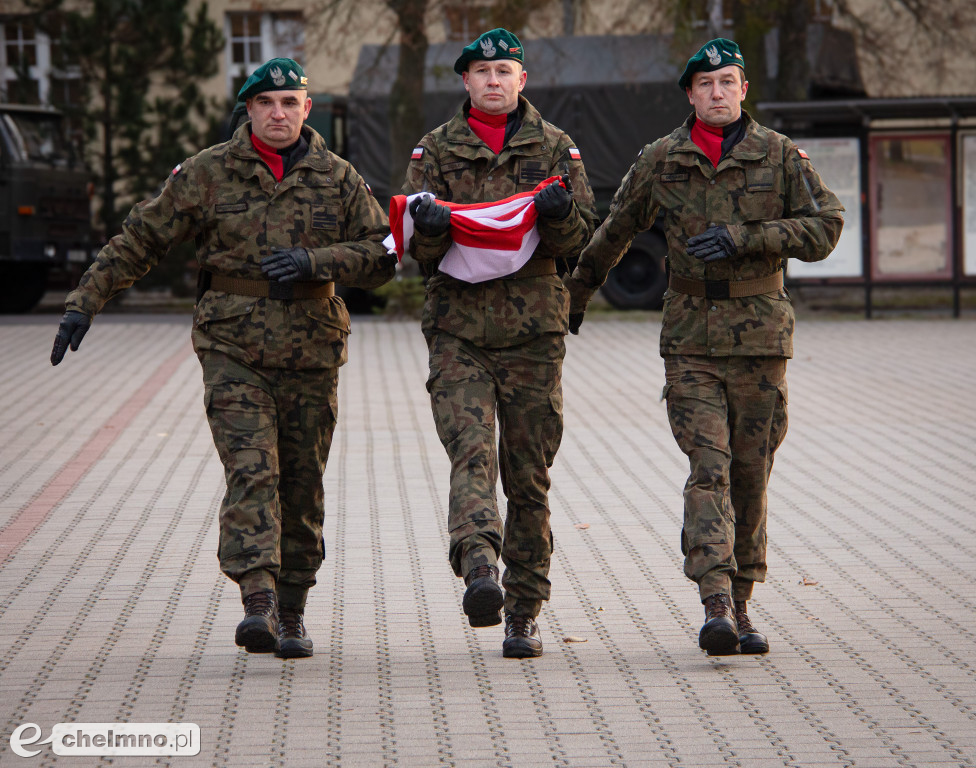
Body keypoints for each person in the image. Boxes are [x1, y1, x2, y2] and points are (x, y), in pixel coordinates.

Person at [50, 58, 395, 659]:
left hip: (311, 349)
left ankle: (292, 610)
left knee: (301, 481)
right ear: (250, 110)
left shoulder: (337, 176)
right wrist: (85, 302)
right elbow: (141, 237)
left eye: (290, 103)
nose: (280, 113)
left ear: (307, 108)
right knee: (251, 467)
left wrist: (319, 263)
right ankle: (256, 598)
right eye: (267, 104)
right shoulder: (209, 173)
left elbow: (383, 256)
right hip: (231, 345)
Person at [564, 38, 843, 656]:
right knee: (709, 466)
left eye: (728, 82)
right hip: (689, 339)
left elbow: (827, 225)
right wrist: (575, 295)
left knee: (750, 473)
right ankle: (713, 598)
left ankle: (742, 601)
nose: (717, 93)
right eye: (705, 84)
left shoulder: (778, 156)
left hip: (761, 340)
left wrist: (749, 237)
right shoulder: (663, 159)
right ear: (690, 94)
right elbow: (616, 230)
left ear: (744, 89)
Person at [399, 28, 598, 658]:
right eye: (481, 70)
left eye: (504, 70)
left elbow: (580, 239)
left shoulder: (558, 149)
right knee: (471, 452)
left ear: (522, 80)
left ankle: (523, 610)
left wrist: (562, 216)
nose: (493, 80)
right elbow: (417, 251)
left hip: (534, 336)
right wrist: (430, 230)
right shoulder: (434, 152)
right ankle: (479, 561)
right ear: (465, 81)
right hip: (459, 332)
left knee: (528, 477)